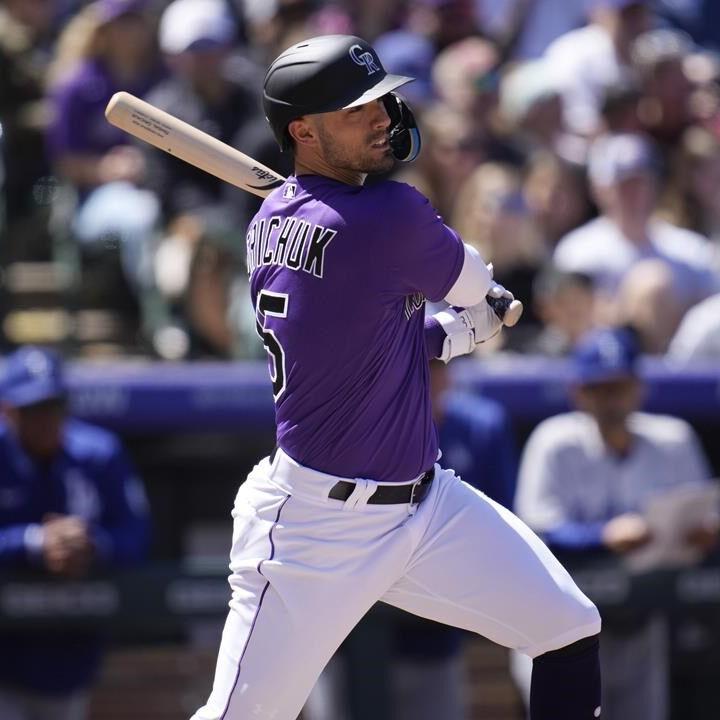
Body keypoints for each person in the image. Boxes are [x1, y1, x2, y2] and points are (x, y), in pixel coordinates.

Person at [191, 35, 602, 720]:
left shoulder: (271, 220)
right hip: (313, 529)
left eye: (381, 99)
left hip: (425, 504)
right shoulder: (388, 214)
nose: (383, 116)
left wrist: (449, 334)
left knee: (566, 628)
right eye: (357, 110)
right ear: (303, 131)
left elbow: (369, 350)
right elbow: (471, 284)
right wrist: (481, 309)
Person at [514, 326, 718, 719]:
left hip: (641, 625)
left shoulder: (673, 439)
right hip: (561, 631)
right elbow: (532, 530)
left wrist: (703, 532)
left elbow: (703, 513)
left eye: (619, 387)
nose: (611, 400)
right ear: (579, 392)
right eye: (599, 388)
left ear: (638, 388)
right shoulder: (553, 442)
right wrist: (601, 536)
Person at [0, 345, 151, 720]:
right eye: (33, 409)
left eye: (53, 405)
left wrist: (92, 544)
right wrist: (32, 542)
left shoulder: (98, 453)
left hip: (73, 658)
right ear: (8, 410)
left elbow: (137, 535)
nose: (46, 419)